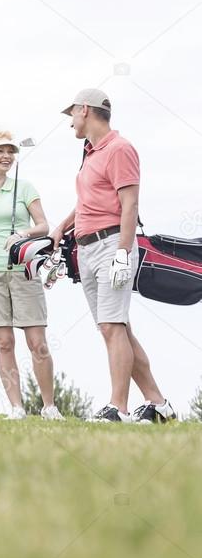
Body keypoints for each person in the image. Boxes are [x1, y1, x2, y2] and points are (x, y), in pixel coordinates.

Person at [49, 88, 176, 423]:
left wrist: (122, 252)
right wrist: (62, 225)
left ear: (85, 110)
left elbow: (130, 203)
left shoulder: (120, 149)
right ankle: (158, 403)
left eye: (72, 115)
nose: (70, 123)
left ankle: (116, 408)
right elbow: (88, 201)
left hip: (111, 247)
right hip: (87, 248)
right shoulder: (90, 153)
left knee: (112, 326)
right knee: (117, 328)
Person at [0, 131, 63, 421]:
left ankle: (49, 407)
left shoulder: (26, 188)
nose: (6, 156)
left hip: (23, 270)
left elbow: (44, 225)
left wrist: (24, 232)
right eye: (0, 151)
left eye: (10, 151)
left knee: (37, 343)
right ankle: (16, 408)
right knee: (4, 343)